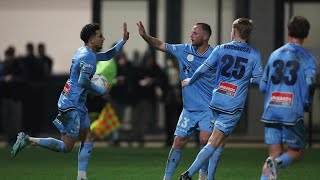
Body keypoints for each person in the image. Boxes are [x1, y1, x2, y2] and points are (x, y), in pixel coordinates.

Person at [11, 22, 129, 180]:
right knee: (66, 146)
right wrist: (102, 90)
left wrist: (123, 40)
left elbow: (107, 55)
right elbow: (83, 82)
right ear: (91, 39)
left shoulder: (85, 51)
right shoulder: (87, 56)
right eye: (100, 36)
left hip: (75, 102)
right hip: (71, 104)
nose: (103, 38)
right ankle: (28, 139)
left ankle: (81, 177)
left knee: (88, 136)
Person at [179, 18, 263, 180]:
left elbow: (203, 69)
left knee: (218, 142)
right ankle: (188, 174)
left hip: (216, 100)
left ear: (233, 31)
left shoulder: (221, 48)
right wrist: (246, 80)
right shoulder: (254, 54)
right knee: (215, 142)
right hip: (232, 104)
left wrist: (190, 80)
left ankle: (209, 177)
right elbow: (259, 81)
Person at [137, 21, 221, 180]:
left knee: (204, 140)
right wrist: (144, 36)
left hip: (208, 108)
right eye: (192, 32)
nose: (191, 36)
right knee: (178, 141)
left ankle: (203, 176)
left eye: (195, 33)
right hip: (189, 109)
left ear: (205, 36)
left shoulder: (215, 55)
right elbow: (160, 45)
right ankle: (167, 177)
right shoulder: (183, 50)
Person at [259, 16, 317, 180]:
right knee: (296, 152)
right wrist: (307, 103)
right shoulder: (307, 58)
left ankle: (273, 166)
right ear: (306, 34)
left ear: (288, 31)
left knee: (273, 155)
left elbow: (263, 87)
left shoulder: (274, 55)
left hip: (271, 109)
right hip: (291, 111)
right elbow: (311, 83)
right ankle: (277, 164)